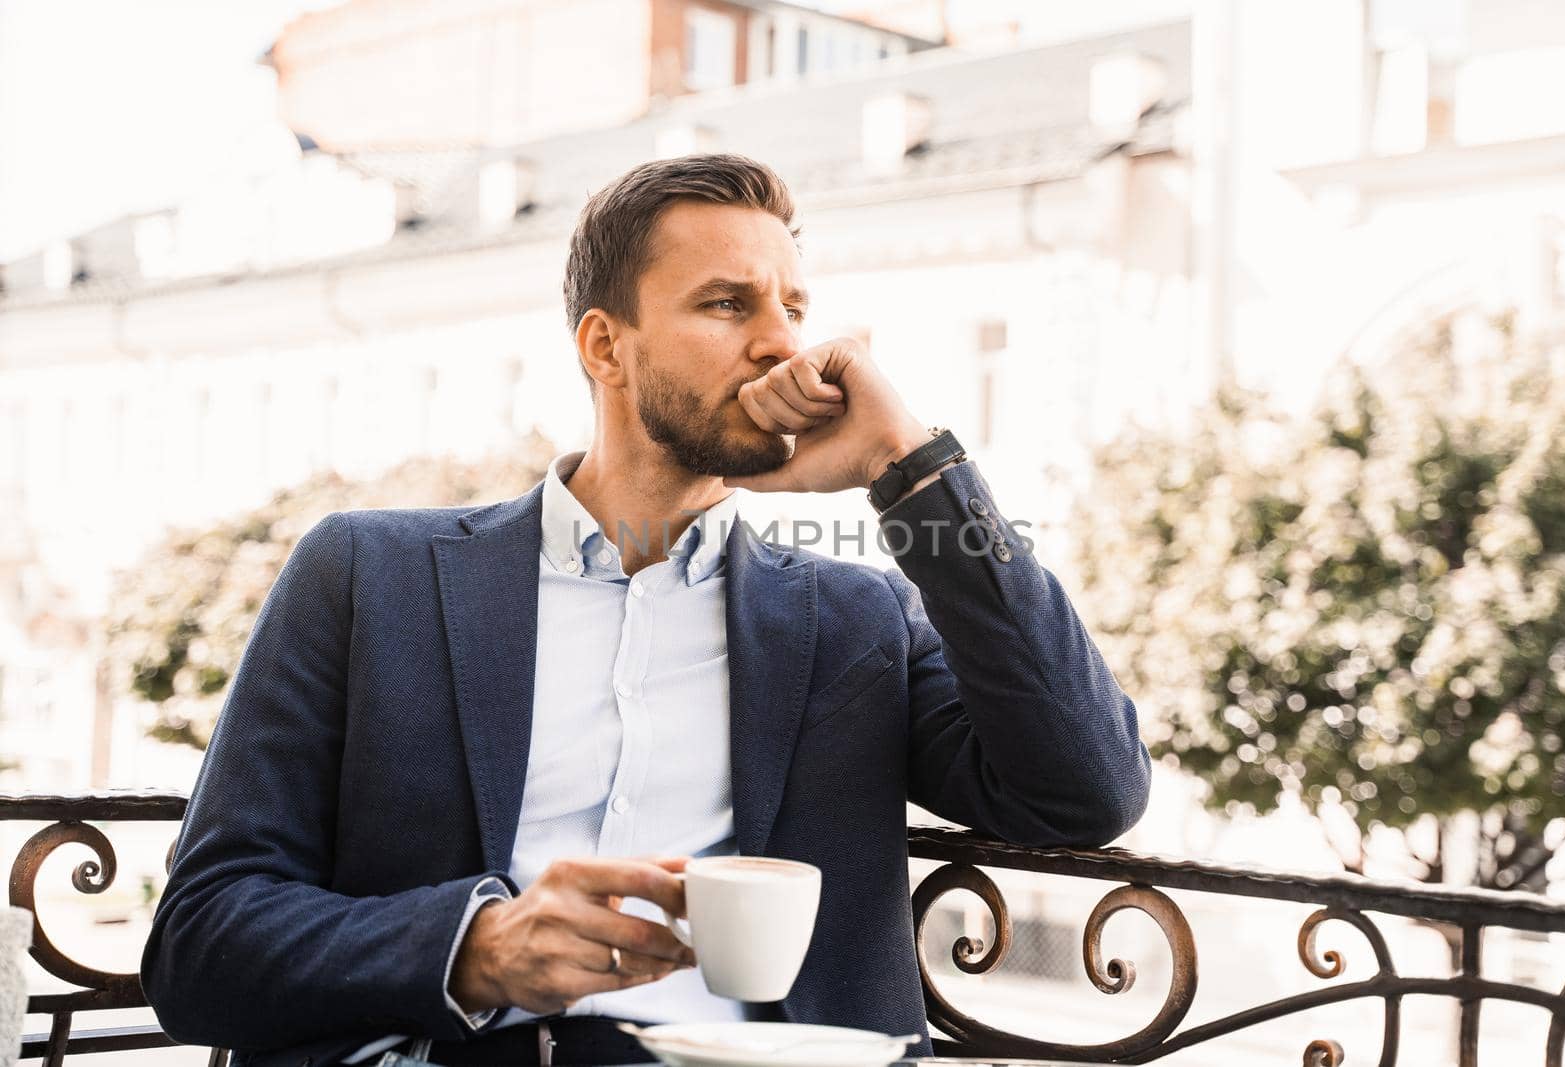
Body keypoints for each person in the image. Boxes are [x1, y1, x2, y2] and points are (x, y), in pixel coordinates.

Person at [141, 154, 1151, 1067]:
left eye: (792, 308)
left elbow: (1087, 789)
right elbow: (201, 938)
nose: (781, 345)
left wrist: (913, 475)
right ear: (605, 346)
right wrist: (478, 948)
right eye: (727, 303)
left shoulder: (857, 619)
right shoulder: (368, 575)